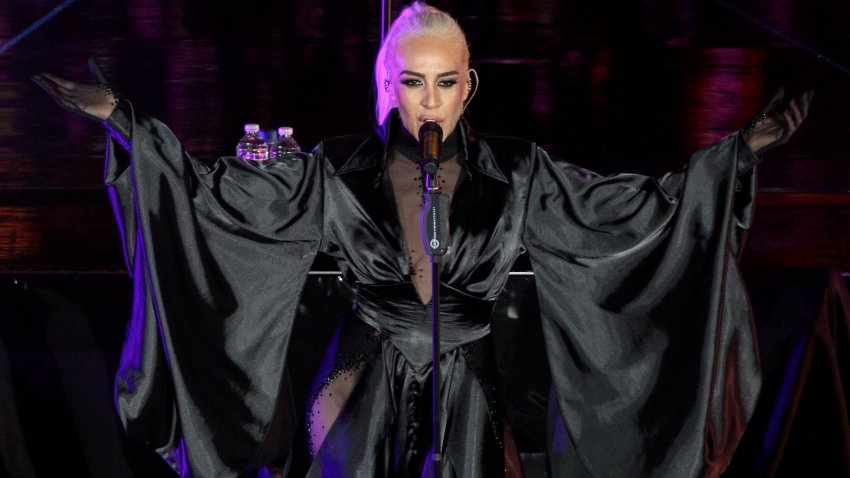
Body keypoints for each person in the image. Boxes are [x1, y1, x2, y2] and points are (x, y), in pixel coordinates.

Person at [32, 2, 812, 477]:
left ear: (469, 84)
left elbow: (634, 213)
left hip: (468, 390)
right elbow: (215, 202)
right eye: (412, 80)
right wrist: (122, 121)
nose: (429, 99)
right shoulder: (336, 170)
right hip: (358, 383)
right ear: (387, 82)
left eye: (444, 82)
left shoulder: (520, 173)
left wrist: (738, 156)